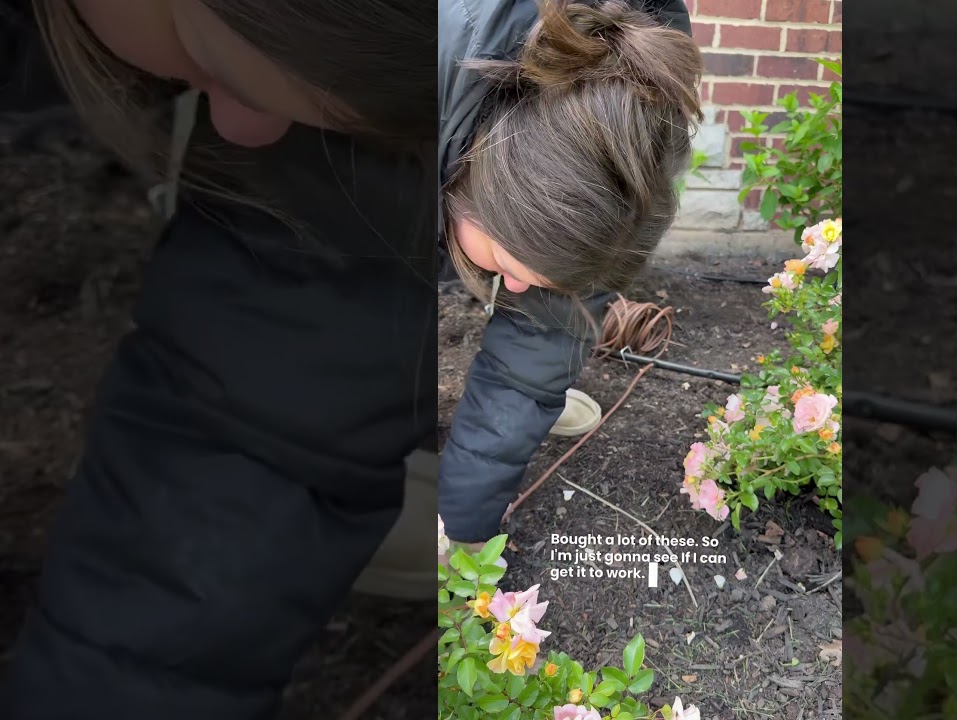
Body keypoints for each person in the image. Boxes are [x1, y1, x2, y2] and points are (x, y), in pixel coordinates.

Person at [0, 0, 700, 718]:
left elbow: (539, 343)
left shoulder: (622, 109)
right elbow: (251, 416)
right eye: (507, 269)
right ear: (468, 166)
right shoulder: (374, 84)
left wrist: (463, 524)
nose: (514, 291)